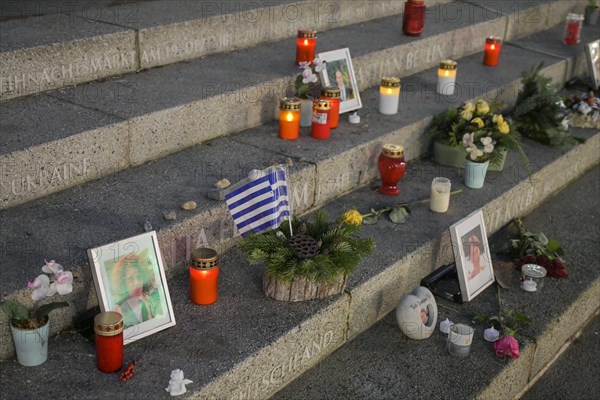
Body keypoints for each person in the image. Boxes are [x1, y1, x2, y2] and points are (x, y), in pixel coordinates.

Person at [110, 253, 162, 327]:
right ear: (123, 283)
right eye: (131, 279)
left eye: (139, 277)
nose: (137, 283)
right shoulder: (118, 310)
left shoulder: (148, 299)